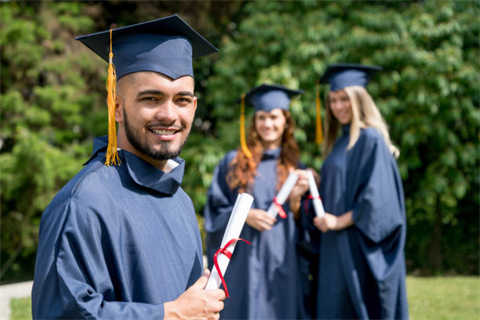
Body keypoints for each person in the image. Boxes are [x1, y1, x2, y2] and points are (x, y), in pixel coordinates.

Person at [31, 15, 226, 319]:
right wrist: (170, 314)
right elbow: (63, 314)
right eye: (151, 98)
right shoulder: (84, 203)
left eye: (182, 100)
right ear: (117, 106)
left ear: (194, 106)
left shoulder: (181, 201)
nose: (169, 114)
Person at [300, 64, 409, 319]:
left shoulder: (371, 139)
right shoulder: (340, 142)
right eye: (333, 100)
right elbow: (338, 190)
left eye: (344, 99)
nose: (338, 106)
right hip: (334, 248)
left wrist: (338, 221)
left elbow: (377, 200)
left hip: (356, 248)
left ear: (359, 99)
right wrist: (315, 184)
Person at [204, 84, 312, 319]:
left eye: (274, 117)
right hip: (243, 264)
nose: (268, 124)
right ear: (254, 121)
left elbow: (305, 227)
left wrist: (298, 199)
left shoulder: (296, 167)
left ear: (286, 121)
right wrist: (245, 215)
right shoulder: (233, 162)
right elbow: (214, 211)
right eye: (261, 117)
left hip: (282, 262)